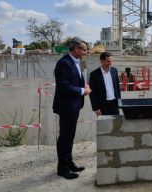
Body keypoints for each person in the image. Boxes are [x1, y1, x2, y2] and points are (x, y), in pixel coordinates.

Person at [53, 37, 91, 179]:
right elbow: (63, 86)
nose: (86, 52)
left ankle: (68, 163)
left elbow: (75, 81)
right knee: (65, 137)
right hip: (66, 106)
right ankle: (62, 168)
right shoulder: (63, 63)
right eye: (84, 49)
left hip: (74, 106)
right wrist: (82, 91)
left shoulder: (75, 62)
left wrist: (83, 86)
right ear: (75, 49)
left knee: (69, 136)